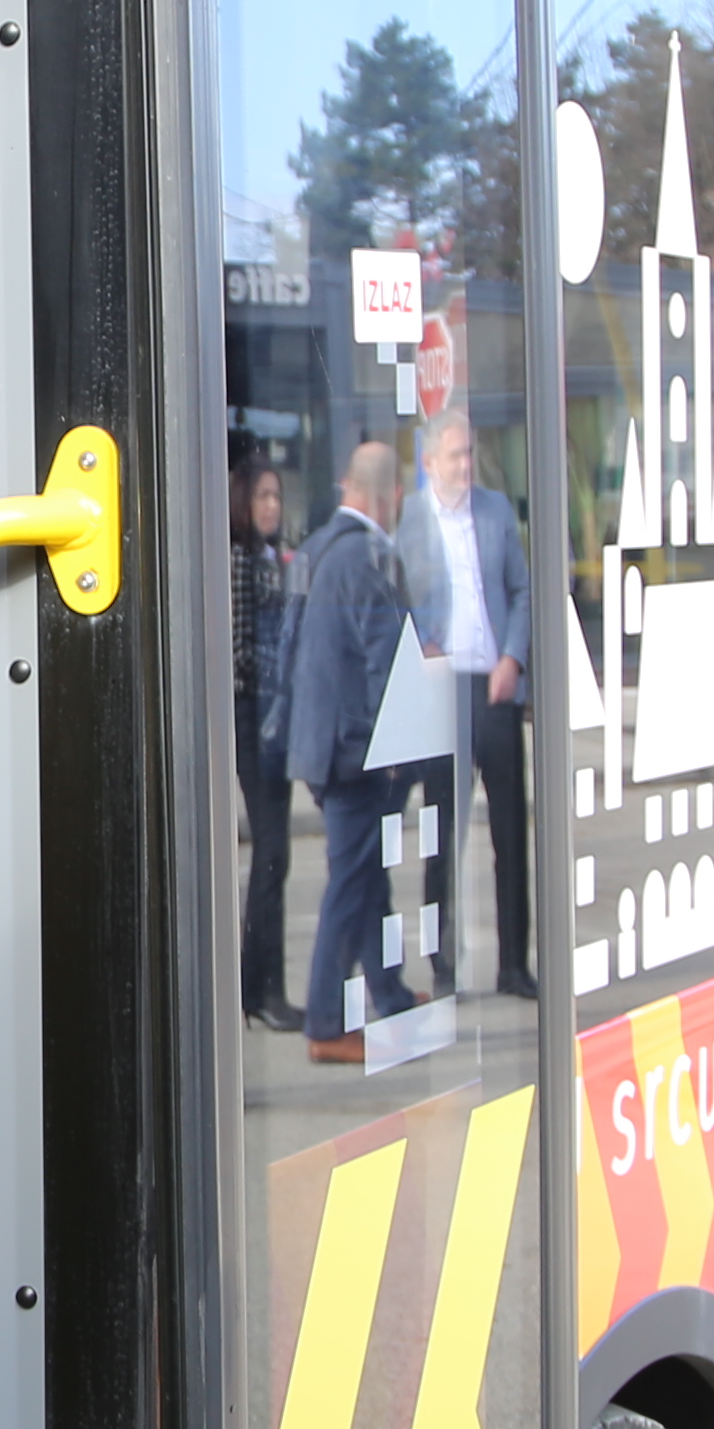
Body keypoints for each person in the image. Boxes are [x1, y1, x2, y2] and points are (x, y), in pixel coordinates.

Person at [398, 410, 536, 1002]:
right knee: (443, 836)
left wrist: (513, 658)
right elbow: (395, 596)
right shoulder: (411, 519)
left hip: (494, 686)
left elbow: (523, 590)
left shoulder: (496, 510)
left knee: (511, 834)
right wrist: (421, 643)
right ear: (430, 463)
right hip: (443, 689)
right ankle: (444, 966)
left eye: (469, 453)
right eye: (455, 455)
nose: (465, 465)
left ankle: (514, 965)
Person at [285, 438, 410, 1058]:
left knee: (365, 874)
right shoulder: (369, 556)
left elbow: (289, 642)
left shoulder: (315, 547)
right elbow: (386, 661)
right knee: (350, 882)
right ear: (392, 495)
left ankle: (389, 993)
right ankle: (327, 1024)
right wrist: (397, 743)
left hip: (318, 741)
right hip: (355, 747)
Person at [231, 458, 299, 1030]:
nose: (272, 506)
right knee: (271, 850)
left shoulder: (274, 559)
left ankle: (260, 985)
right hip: (251, 713)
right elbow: (238, 649)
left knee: (277, 855)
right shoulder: (238, 560)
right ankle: (260, 988)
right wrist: (283, 667)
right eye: (262, 496)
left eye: (277, 496)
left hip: (276, 713)